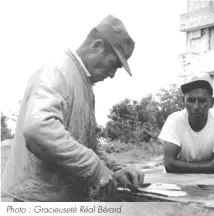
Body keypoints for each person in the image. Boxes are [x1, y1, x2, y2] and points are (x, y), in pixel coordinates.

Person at [1, 15, 144, 202]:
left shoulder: (85, 85)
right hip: (39, 202)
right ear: (97, 46)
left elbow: (86, 144)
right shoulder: (57, 71)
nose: (111, 75)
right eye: (112, 65)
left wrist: (115, 168)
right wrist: (94, 167)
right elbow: (38, 128)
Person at [158, 72, 214, 173]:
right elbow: (169, 164)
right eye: (191, 100)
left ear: (212, 102)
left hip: (210, 182)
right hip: (176, 181)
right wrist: (209, 165)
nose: (196, 107)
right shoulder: (174, 121)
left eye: (202, 101)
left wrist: (180, 165)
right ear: (183, 101)